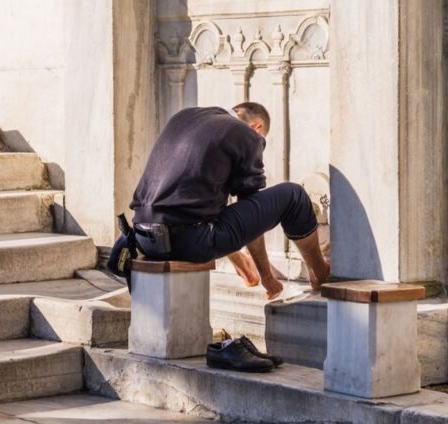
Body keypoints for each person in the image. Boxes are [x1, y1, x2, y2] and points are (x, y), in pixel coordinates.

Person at [115, 102, 330, 300]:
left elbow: (196, 209)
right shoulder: (246, 135)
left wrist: (243, 265)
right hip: (188, 243)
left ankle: (245, 268)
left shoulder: (184, 117)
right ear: (257, 126)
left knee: (200, 219)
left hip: (144, 238)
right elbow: (252, 214)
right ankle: (319, 273)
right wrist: (267, 278)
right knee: (294, 195)